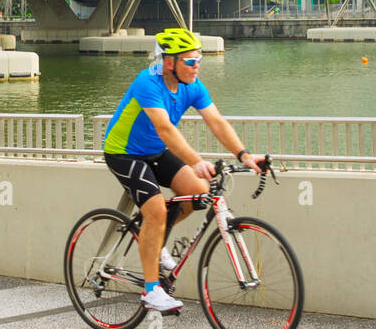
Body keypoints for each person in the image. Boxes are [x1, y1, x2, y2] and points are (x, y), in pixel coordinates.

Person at [102, 27, 265, 314]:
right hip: (124, 153)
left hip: (155, 152)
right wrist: (195, 161)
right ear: (169, 63)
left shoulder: (193, 86)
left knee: (198, 194)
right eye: (190, 61)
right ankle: (152, 291)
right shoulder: (148, 82)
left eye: (198, 59)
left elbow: (216, 122)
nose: (197, 65)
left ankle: (155, 237)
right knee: (155, 210)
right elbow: (164, 129)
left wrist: (244, 155)